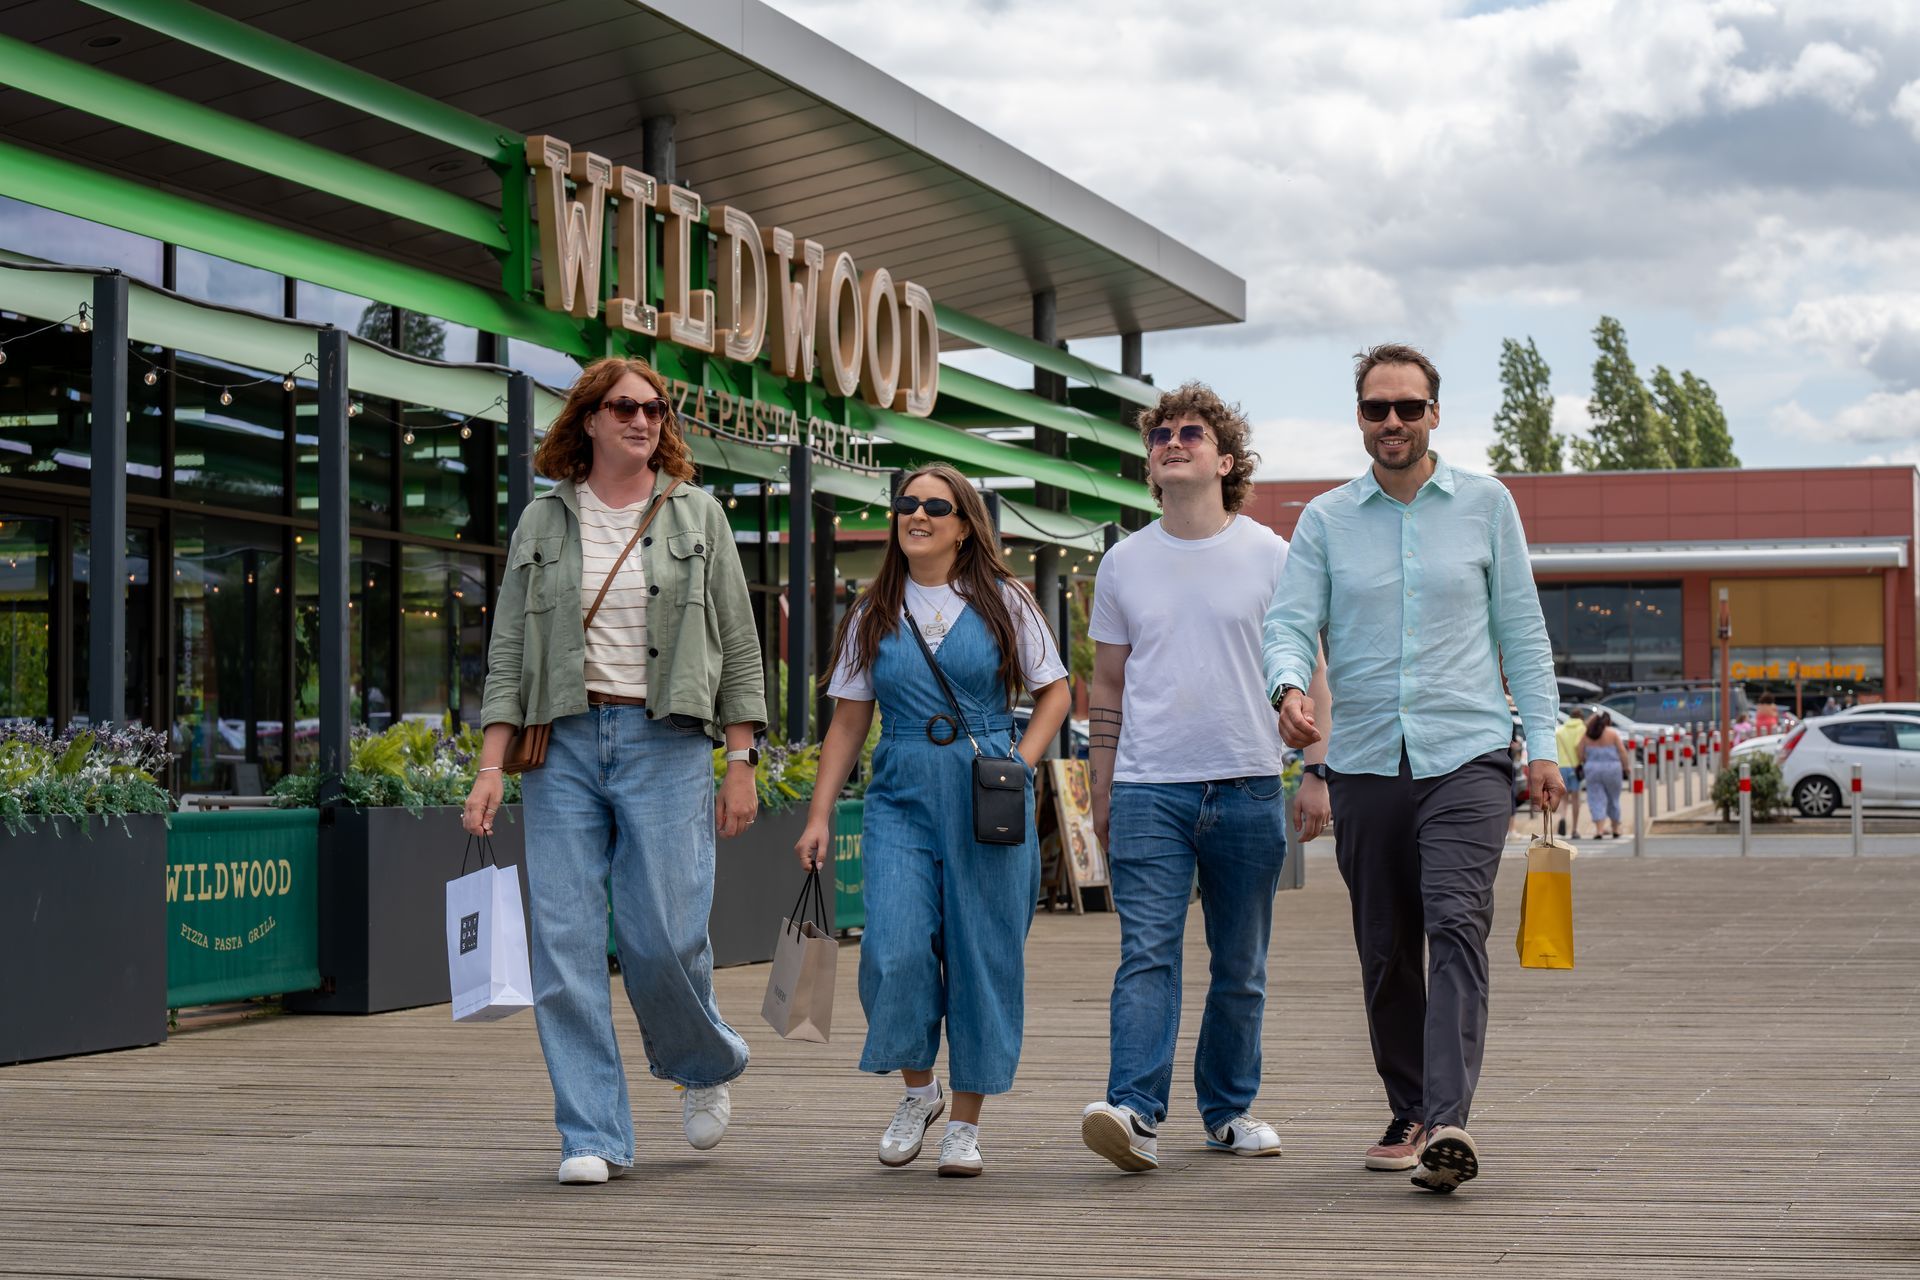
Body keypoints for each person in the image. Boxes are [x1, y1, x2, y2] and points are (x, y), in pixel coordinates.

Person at [1264, 343, 1564, 1194]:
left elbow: (1524, 636)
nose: (1391, 422)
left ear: (1436, 413)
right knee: (1386, 945)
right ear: (1359, 417)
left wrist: (1541, 744)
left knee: (1456, 920)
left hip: (1467, 752)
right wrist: (1287, 688)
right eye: (1375, 408)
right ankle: (1409, 1105)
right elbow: (1288, 623)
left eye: (1407, 407)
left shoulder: (1486, 505)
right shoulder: (1325, 519)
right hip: (1362, 760)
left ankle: (1447, 1119)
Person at [463, 356, 766, 1186]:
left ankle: (702, 1062)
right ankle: (591, 1132)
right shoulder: (542, 522)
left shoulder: (698, 515)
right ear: (589, 420)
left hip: (666, 742)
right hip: (558, 745)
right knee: (562, 942)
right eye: (626, 407)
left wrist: (741, 759)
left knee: (662, 934)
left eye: (657, 409)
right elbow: (508, 653)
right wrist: (491, 765)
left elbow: (738, 645)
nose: (645, 420)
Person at [1078, 381, 1332, 1174]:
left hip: (1251, 783)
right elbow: (1107, 687)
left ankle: (1228, 1110)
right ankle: (1134, 1112)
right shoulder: (1124, 563)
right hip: (1150, 789)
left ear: (1226, 459)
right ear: (1151, 467)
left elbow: (1312, 671)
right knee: (1146, 952)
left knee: (1241, 965)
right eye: (1161, 437)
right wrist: (1101, 787)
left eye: (1192, 433)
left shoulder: (1271, 555)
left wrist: (1317, 771)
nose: (1174, 442)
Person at [795, 463, 1070, 1179]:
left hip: (987, 791)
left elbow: (1056, 693)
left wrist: (1023, 763)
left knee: (983, 954)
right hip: (900, 791)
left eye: (934, 507)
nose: (917, 515)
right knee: (892, 949)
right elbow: (850, 721)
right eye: (906, 504)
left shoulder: (1005, 598)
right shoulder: (873, 609)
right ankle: (921, 1092)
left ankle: (967, 1127)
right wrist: (820, 812)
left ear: (963, 522)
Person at [1576, 711, 1629, 839]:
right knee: (1613, 798)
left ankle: (1599, 830)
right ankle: (1615, 828)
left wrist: (1584, 761)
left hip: (1592, 769)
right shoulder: (1612, 733)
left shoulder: (1587, 735)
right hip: (1612, 768)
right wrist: (1626, 767)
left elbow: (1579, 751)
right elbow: (1622, 752)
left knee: (1595, 798)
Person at [1554, 709, 1588, 839]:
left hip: (1561, 766)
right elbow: (1577, 745)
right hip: (1574, 766)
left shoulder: (1561, 730)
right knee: (1575, 799)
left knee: (1564, 798)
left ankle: (1562, 817)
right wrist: (1580, 761)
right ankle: (1574, 829)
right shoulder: (1581, 728)